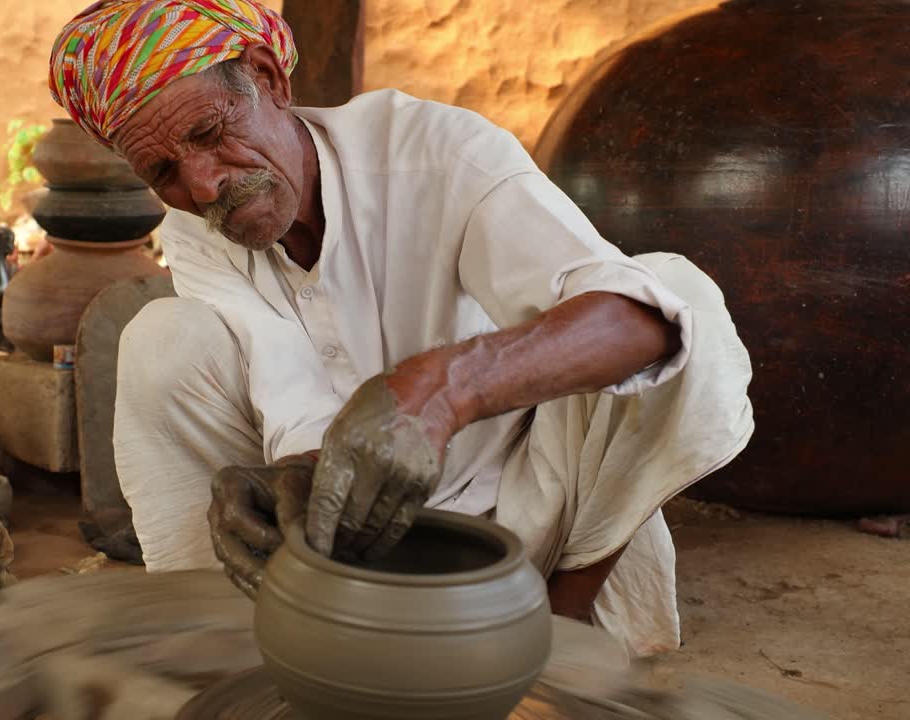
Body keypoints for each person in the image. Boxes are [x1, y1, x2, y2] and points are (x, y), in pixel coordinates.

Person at [49, 0, 753, 655]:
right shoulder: (201, 234)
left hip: (535, 520)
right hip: (356, 537)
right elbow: (289, 397)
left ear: (268, 80)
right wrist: (282, 482)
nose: (202, 186)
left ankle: (561, 637)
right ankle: (232, 642)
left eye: (209, 133)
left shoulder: (435, 151)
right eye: (164, 170)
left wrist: (445, 389)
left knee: (677, 295)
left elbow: (641, 324)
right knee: (158, 340)